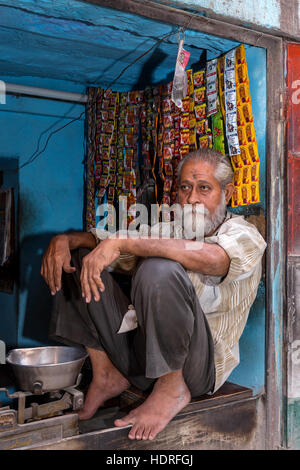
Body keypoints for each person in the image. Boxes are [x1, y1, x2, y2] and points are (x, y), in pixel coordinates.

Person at [41, 149, 266, 441]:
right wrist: (64, 240)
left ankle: (171, 387)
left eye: (204, 188)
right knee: (81, 257)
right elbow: (103, 241)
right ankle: (107, 374)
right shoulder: (173, 229)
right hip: (142, 360)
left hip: (196, 371)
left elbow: (215, 259)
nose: (192, 198)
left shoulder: (244, 234)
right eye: (185, 188)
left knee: (158, 267)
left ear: (228, 192)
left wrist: (130, 244)